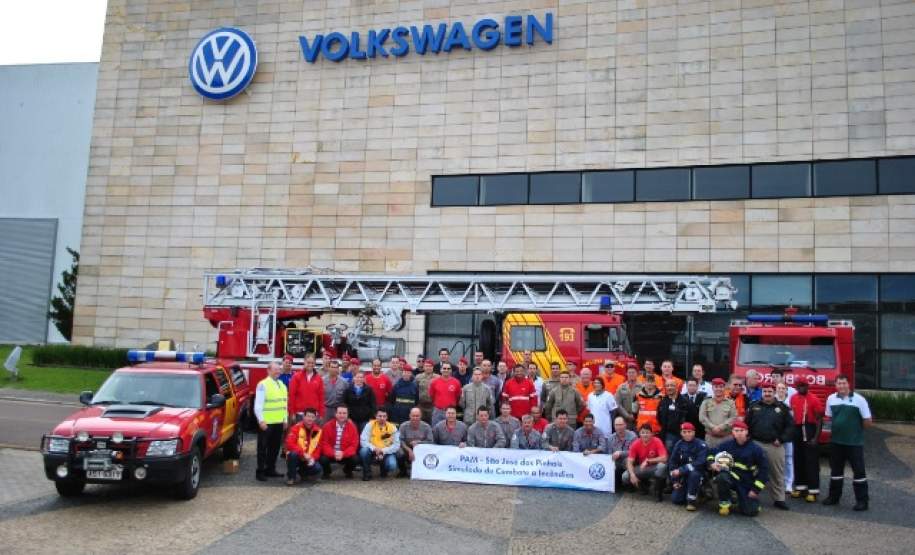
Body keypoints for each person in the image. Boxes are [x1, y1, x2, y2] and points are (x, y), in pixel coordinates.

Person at [823, 375, 872, 511]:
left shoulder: (859, 400)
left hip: (854, 443)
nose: (842, 386)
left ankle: (862, 501)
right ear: (836, 385)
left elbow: (868, 421)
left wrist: (856, 431)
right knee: (836, 471)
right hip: (836, 442)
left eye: (844, 383)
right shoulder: (831, 399)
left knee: (859, 472)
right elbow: (829, 418)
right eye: (839, 383)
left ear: (848, 384)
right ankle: (834, 497)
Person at [746, 383, 793, 510]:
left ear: (774, 393)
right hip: (755, 444)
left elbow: (790, 427)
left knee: (777, 474)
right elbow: (746, 424)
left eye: (770, 391)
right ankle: (749, 495)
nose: (767, 394)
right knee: (750, 471)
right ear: (762, 392)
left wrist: (782, 439)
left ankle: (779, 499)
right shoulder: (754, 406)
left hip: (775, 445)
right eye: (765, 391)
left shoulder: (782, 408)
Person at [707, 420, 769, 517]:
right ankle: (725, 504)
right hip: (730, 477)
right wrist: (711, 463)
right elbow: (711, 452)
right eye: (736, 430)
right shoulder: (727, 445)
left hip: (746, 481)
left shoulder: (756, 449)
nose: (739, 433)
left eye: (741, 430)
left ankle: (741, 499)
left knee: (751, 512)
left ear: (746, 432)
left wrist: (755, 490)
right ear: (733, 432)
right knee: (722, 477)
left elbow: (764, 470)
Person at [789, 379, 824, 502]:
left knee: (811, 462)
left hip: (809, 430)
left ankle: (813, 490)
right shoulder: (793, 398)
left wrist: (815, 438)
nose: (801, 388)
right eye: (799, 386)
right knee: (798, 460)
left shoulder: (814, 399)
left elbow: (820, 420)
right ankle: (800, 487)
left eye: (803, 386)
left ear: (807, 386)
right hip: (797, 431)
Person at [254, 360, 288, 481]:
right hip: (267, 423)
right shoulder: (262, 385)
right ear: (268, 370)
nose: (277, 371)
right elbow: (258, 405)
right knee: (263, 448)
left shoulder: (282, 385)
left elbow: (284, 404)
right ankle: (260, 471)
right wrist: (261, 420)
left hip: (279, 422)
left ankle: (271, 469)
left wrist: (285, 419)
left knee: (275, 448)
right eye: (275, 369)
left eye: (279, 369)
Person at [668, 422, 707, 511]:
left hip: (698, 474)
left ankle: (692, 501)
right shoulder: (679, 444)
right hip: (683, 476)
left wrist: (681, 470)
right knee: (676, 500)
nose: (687, 434)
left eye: (689, 432)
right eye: (684, 432)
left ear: (694, 432)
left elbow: (700, 463)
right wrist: (675, 481)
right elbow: (672, 462)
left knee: (694, 475)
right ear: (681, 433)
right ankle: (692, 493)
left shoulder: (701, 445)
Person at [624, 423, 668, 501]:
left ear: (652, 434)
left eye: (647, 432)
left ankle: (658, 491)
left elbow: (664, 458)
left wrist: (648, 461)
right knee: (625, 476)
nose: (645, 435)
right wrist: (632, 475)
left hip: (654, 467)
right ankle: (642, 486)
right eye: (643, 432)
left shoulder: (657, 441)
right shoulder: (635, 443)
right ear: (639, 434)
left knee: (662, 466)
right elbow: (629, 461)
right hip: (641, 468)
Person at [359, 408, 400, 481]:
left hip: (387, 452)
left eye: (384, 416)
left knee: (392, 465)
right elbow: (363, 440)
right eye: (380, 416)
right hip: (372, 450)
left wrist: (383, 451)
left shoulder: (392, 427)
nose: (382, 418)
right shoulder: (369, 425)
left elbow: (396, 445)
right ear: (375, 416)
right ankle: (367, 473)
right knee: (363, 451)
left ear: (387, 417)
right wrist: (374, 448)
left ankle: (384, 468)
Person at [284, 408, 323, 485]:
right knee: (292, 454)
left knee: (318, 469)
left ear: (315, 418)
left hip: (309, 458)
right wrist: (303, 454)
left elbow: (318, 449)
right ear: (303, 417)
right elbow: (289, 443)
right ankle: (291, 477)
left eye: (312, 417)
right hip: (297, 456)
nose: (310, 419)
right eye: (308, 416)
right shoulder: (296, 428)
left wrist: (312, 458)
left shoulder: (318, 431)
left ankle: (302, 473)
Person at [319, 405, 359, 479]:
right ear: (335, 414)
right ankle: (327, 472)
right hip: (331, 453)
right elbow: (324, 443)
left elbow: (354, 445)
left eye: (344, 413)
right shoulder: (327, 426)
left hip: (345, 454)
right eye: (340, 413)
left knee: (355, 459)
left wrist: (343, 453)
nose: (342, 415)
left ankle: (347, 471)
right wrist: (333, 453)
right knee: (322, 459)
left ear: (347, 415)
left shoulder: (352, 427)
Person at [699, 377, 738, 448]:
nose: (718, 389)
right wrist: (712, 427)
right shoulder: (706, 402)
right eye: (716, 387)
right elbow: (702, 417)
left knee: (726, 458)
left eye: (721, 387)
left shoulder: (730, 402)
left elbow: (734, 417)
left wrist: (721, 427)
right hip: (710, 438)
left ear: (724, 388)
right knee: (710, 458)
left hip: (726, 438)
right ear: (712, 388)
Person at [398, 408, 434, 477]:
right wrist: (409, 450)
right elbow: (400, 441)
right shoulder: (403, 426)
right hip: (406, 449)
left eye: (417, 416)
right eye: (413, 416)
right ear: (409, 416)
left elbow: (431, 441)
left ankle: (423, 470)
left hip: (422, 450)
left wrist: (420, 442)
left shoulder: (427, 427)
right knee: (399, 453)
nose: (415, 418)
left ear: (421, 416)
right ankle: (403, 471)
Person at [657, 378, 690, 454]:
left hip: (684, 434)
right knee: (670, 455)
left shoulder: (685, 402)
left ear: (677, 387)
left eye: (672, 385)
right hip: (668, 435)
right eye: (667, 386)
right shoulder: (662, 402)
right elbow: (659, 418)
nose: (669, 387)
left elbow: (692, 418)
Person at [288, 353, 325, 420]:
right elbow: (292, 395)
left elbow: (321, 397)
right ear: (304, 362)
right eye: (308, 362)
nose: (310, 364)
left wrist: (321, 413)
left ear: (315, 363)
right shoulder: (296, 377)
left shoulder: (319, 379)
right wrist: (292, 412)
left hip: (314, 415)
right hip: (300, 414)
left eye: (312, 363)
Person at [775, 382, 795, 497]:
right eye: (779, 388)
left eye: (783, 388)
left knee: (788, 460)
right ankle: (778, 482)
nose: (781, 390)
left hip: (787, 436)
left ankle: (789, 483)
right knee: (776, 460)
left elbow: (792, 422)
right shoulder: (773, 402)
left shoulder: (790, 403)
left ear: (786, 390)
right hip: (776, 437)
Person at [608, 416, 637, 488]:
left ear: (625, 425)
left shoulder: (633, 436)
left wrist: (620, 453)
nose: (618, 427)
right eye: (616, 425)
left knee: (628, 461)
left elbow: (634, 452)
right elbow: (609, 454)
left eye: (620, 425)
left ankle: (632, 484)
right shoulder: (610, 438)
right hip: (615, 463)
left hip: (628, 462)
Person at [415, 358, 437, 422]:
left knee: (432, 422)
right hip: (421, 405)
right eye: (426, 366)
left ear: (433, 367)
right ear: (424, 367)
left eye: (430, 366)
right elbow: (415, 391)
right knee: (420, 423)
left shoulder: (437, 377)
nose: (428, 368)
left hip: (433, 405)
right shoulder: (418, 377)